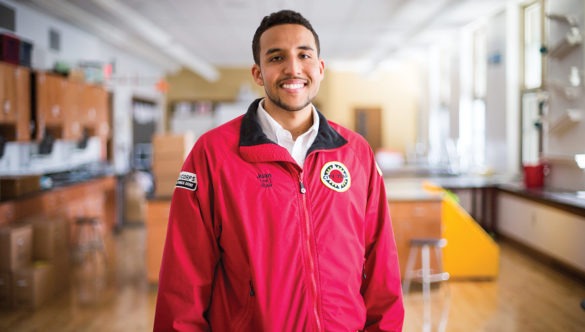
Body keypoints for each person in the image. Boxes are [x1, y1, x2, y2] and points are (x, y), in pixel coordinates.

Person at [154, 9, 404, 331]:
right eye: (276, 58)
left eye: (304, 55)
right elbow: (183, 278)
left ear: (320, 67)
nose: (293, 68)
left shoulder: (355, 153)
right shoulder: (213, 155)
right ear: (258, 74)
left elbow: (382, 264)